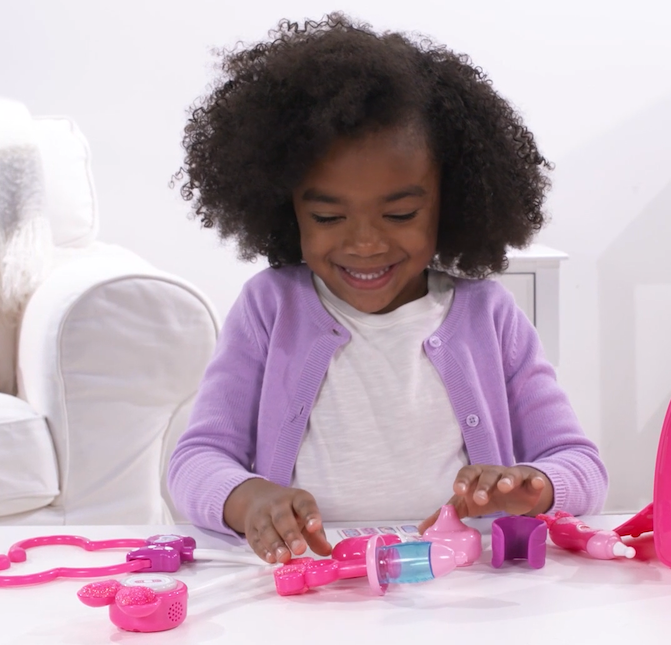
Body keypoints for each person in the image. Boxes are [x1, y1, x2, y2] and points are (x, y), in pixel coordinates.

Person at [167, 13, 607, 565]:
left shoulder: (487, 315)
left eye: (400, 213)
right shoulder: (269, 308)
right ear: (287, 208)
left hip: (464, 586)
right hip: (308, 577)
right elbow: (196, 460)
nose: (366, 243)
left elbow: (581, 464)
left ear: (452, 202)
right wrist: (249, 498)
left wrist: (532, 485)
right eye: (328, 217)